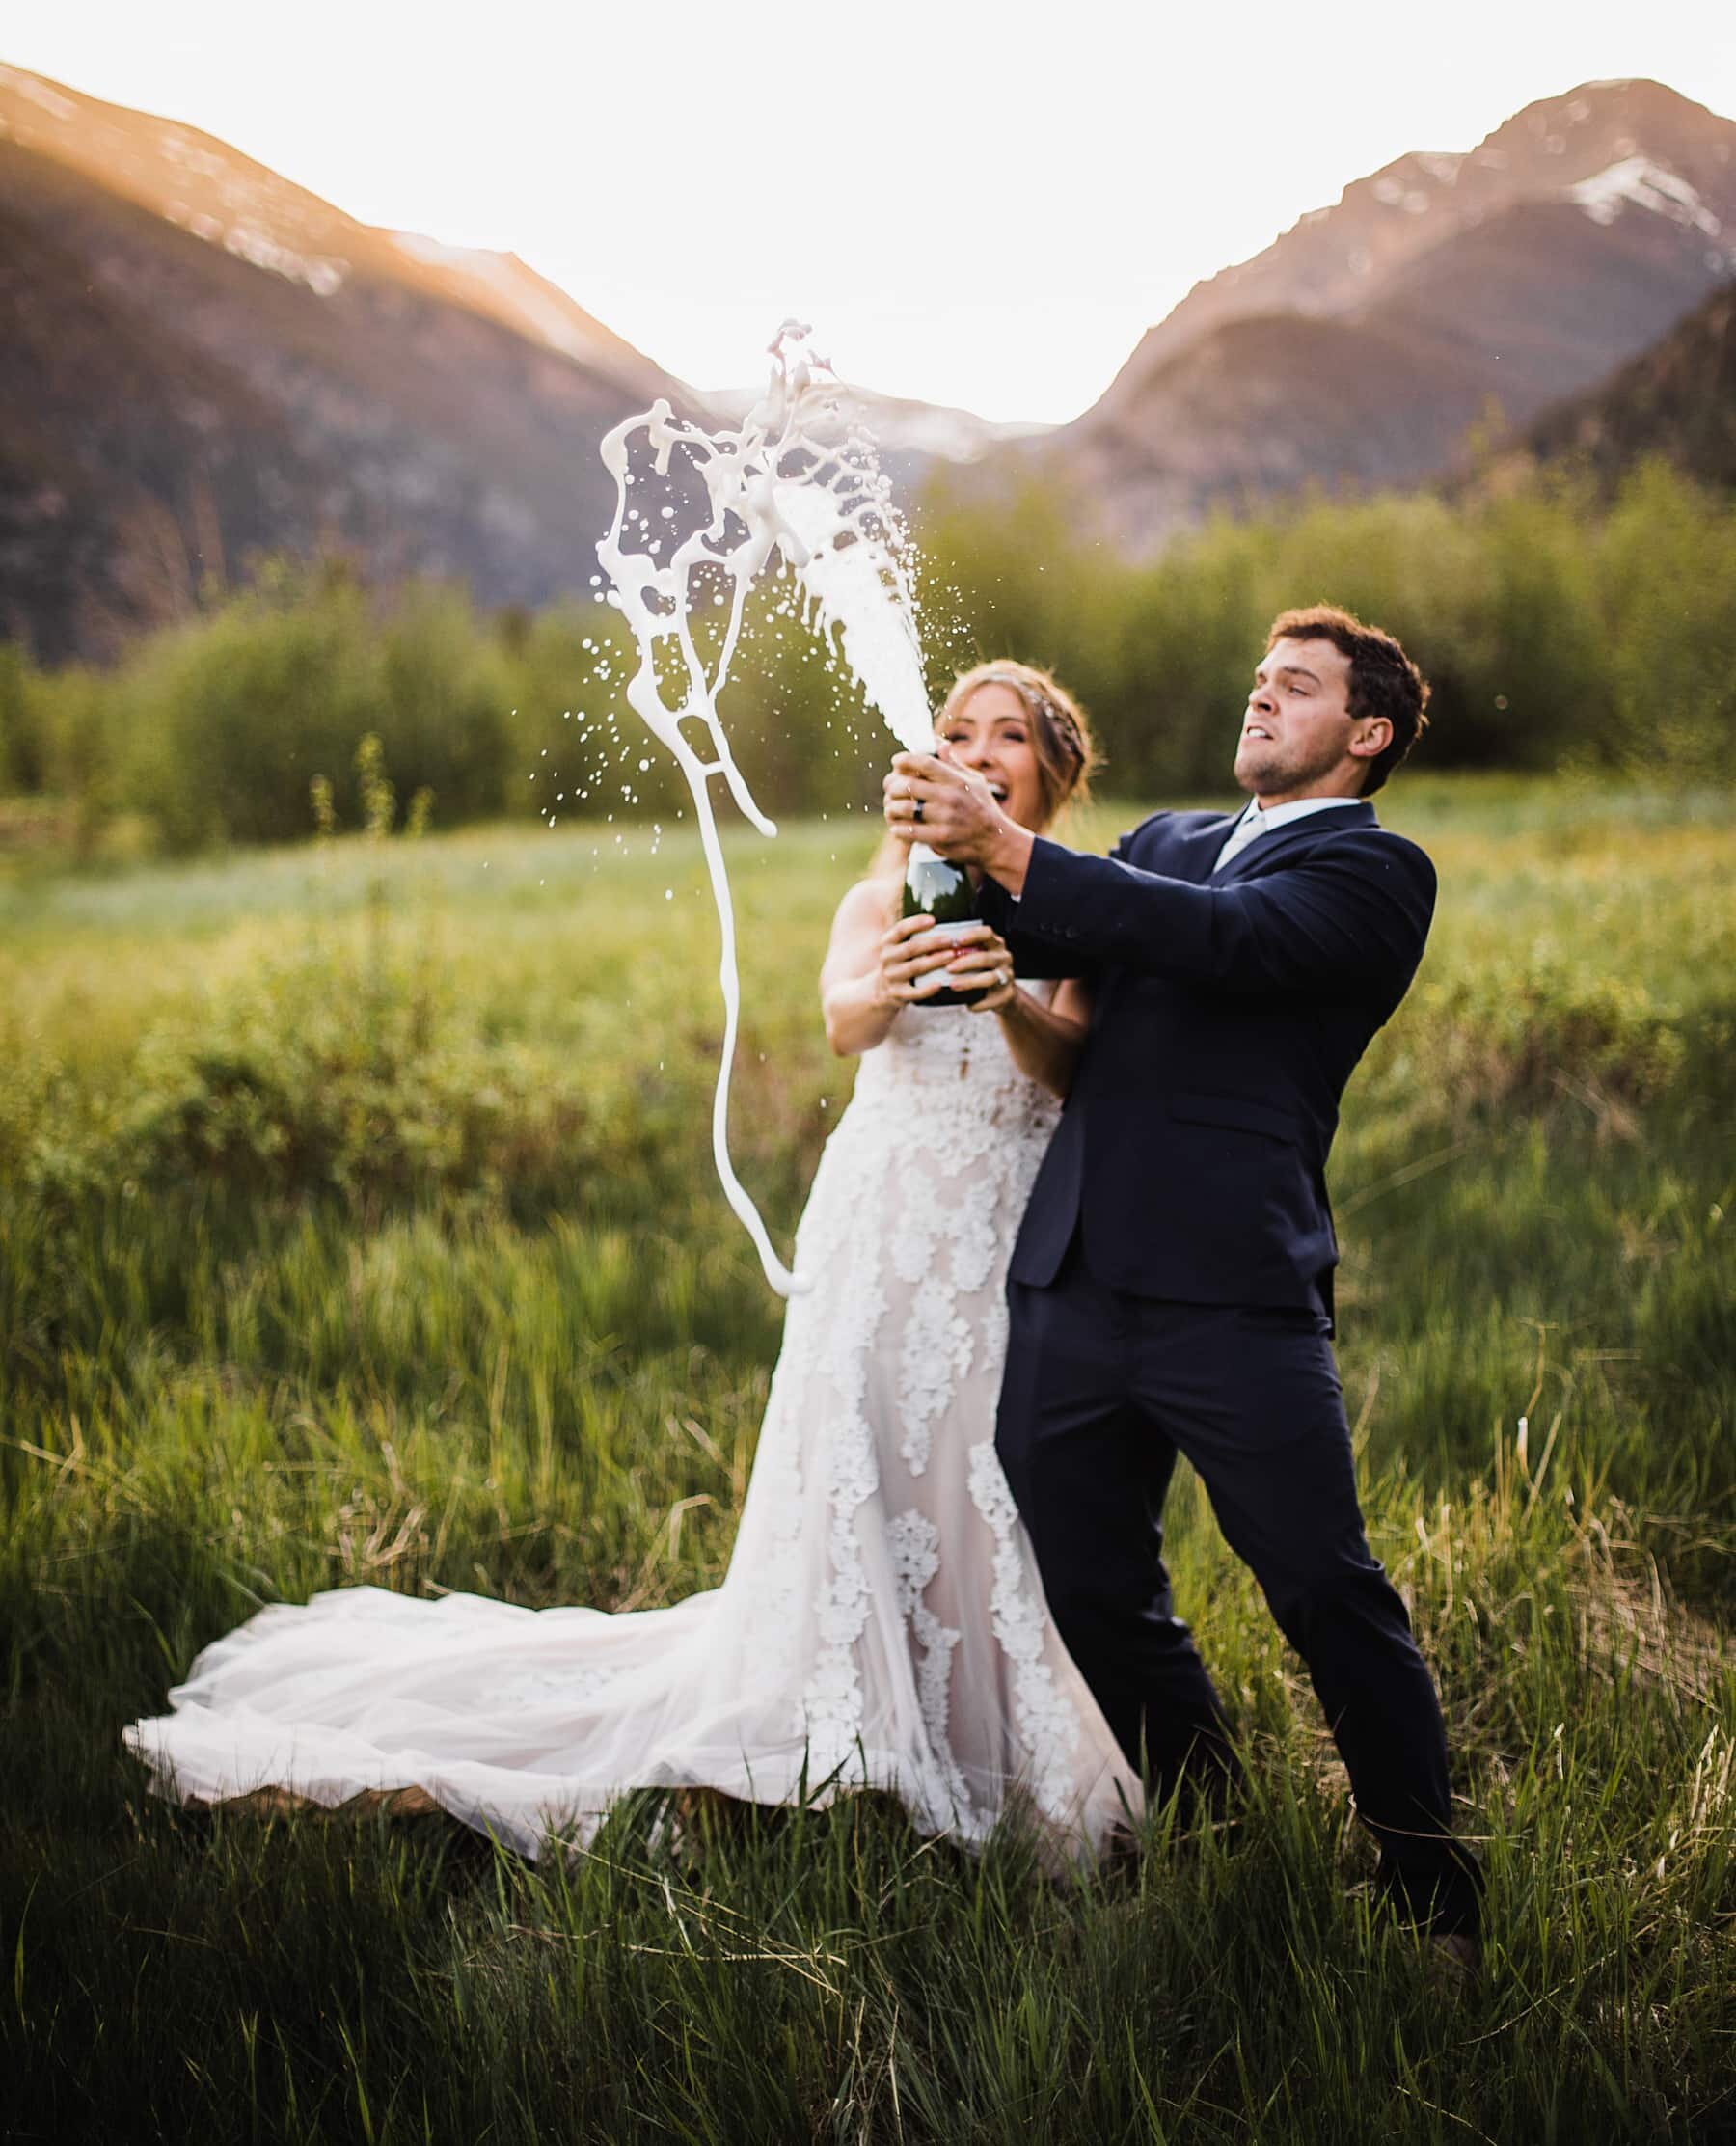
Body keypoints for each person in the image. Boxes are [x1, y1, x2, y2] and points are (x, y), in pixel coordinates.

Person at [125, 664, 1137, 1862]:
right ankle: (848, 1740)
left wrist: (1006, 997)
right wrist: (905, 971)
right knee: (858, 1463)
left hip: (1000, 1229)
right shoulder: (883, 895)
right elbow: (843, 1023)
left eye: (1006, 735)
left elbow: (1069, 1067)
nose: (975, 749)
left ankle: (998, 1736)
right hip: (883, 1216)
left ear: (1051, 771)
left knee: (989, 1472)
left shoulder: (1084, 907)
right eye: (955, 732)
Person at [883, 607, 1482, 1961]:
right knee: (1095, 1589)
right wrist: (944, 841)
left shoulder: (1378, 874)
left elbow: (1220, 944)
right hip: (1075, 1275)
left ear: (1366, 733)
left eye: (1298, 685)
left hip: (1235, 1295)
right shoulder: (1160, 841)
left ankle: (1433, 1896)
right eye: (1258, 674)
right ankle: (1212, 1817)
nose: (1261, 694)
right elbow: (1053, 959)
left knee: (1326, 1589)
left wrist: (1010, 845)